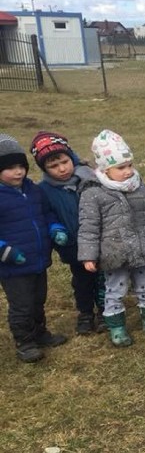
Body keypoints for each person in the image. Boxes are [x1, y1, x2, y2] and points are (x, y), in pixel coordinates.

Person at [78, 130, 145, 347]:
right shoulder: (93, 194)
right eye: (121, 167)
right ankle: (117, 327)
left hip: (141, 249)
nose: (128, 171)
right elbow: (88, 228)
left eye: (129, 165)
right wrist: (88, 255)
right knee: (115, 289)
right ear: (104, 168)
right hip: (114, 252)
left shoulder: (139, 187)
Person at [0, 134, 68, 362]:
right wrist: (5, 251)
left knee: (38, 299)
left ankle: (40, 333)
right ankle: (24, 342)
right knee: (22, 304)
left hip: (38, 260)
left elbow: (46, 214)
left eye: (21, 166)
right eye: (10, 168)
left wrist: (55, 228)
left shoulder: (34, 190)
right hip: (13, 265)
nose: (18, 172)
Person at [31, 130, 106, 335]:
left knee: (103, 277)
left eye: (64, 161)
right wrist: (55, 228)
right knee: (82, 281)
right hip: (73, 245)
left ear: (71, 157)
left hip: (99, 238)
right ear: (44, 168)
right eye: (53, 166)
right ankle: (85, 313)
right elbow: (46, 214)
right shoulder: (44, 190)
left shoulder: (90, 178)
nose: (61, 169)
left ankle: (105, 311)